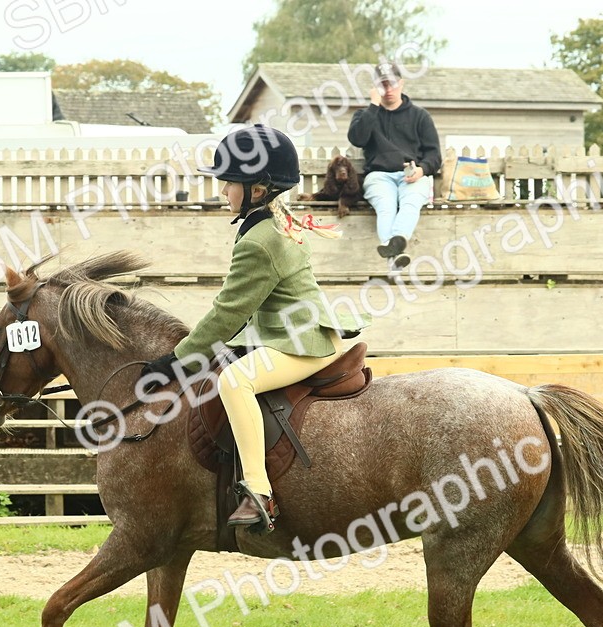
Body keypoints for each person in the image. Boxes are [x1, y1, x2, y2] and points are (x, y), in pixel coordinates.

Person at [141, 125, 368, 532]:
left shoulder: (261, 240)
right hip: (293, 330)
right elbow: (257, 308)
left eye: (230, 185)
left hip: (302, 342)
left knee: (234, 382)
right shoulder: (277, 224)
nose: (224, 192)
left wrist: (176, 361)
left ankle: (259, 492)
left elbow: (227, 313)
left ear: (257, 191)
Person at [347, 61, 441, 272]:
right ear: (375, 88)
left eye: (392, 84)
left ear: (401, 83)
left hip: (411, 174)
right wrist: (373, 106)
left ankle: (394, 251)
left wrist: (422, 170)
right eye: (382, 85)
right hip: (379, 175)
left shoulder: (420, 116)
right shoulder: (365, 115)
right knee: (385, 206)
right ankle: (396, 252)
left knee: (412, 201)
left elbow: (434, 155)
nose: (388, 90)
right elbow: (358, 139)